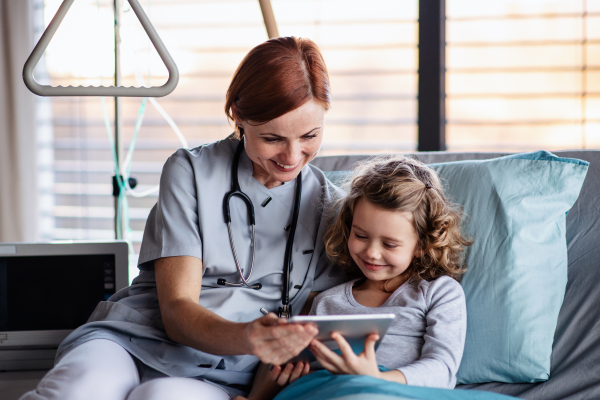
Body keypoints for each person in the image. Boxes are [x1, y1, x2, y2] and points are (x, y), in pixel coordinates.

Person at [20, 36, 347, 400]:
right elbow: (177, 311)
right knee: (80, 392)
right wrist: (250, 336)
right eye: (272, 138)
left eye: (310, 136)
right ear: (238, 116)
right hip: (138, 336)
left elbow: (308, 326)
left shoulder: (331, 207)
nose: (292, 155)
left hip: (229, 371)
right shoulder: (189, 171)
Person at [238, 156, 473, 399]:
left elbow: (442, 369)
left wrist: (375, 379)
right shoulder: (327, 301)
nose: (371, 252)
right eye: (361, 236)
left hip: (390, 391)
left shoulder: (439, 292)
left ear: (423, 244)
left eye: (390, 244)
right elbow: (283, 358)